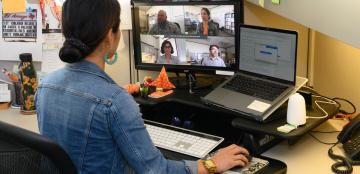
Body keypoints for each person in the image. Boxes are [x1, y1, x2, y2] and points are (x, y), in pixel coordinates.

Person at [36, 0, 249, 173]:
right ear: (110, 36)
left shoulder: (45, 87)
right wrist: (211, 163)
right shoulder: (115, 101)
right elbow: (157, 171)